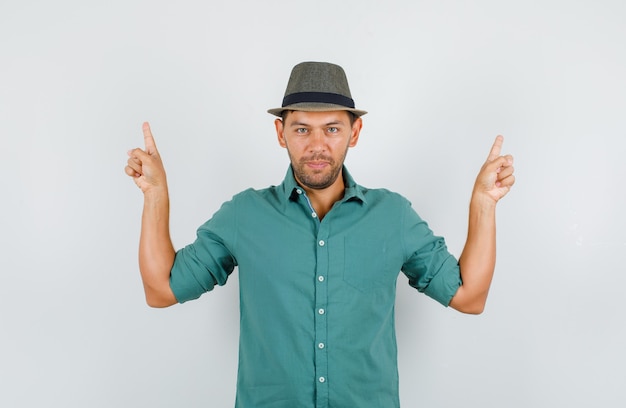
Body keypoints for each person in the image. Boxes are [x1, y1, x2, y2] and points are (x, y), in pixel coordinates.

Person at [125, 61, 515, 408]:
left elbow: (469, 296)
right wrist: (155, 193)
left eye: (331, 128)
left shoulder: (392, 215)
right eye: (301, 129)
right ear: (281, 133)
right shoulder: (245, 214)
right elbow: (162, 290)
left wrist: (483, 202)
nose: (316, 146)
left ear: (355, 131)